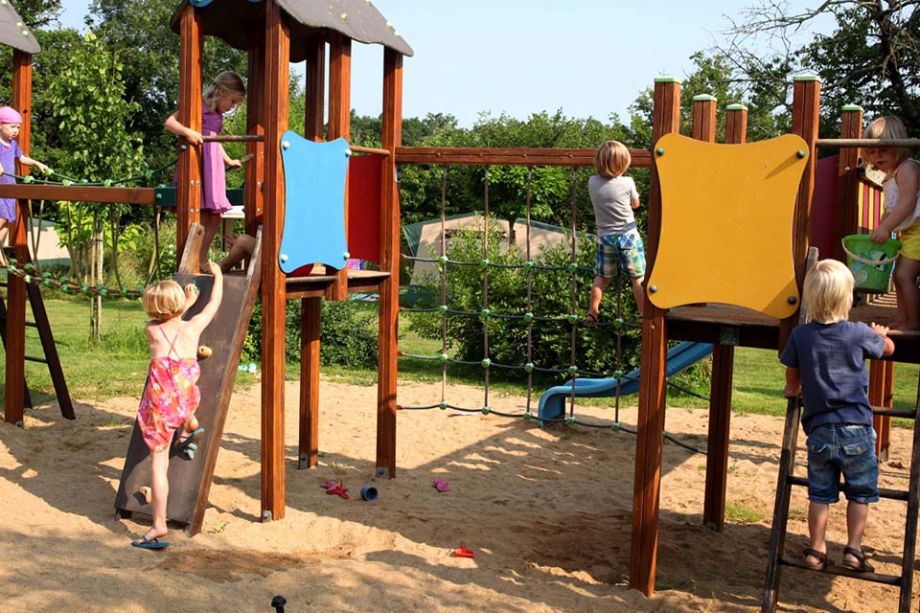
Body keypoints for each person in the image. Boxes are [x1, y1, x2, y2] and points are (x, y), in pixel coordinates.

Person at [780, 258, 894, 572]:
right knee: (860, 493)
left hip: (819, 432)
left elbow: (793, 375)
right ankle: (854, 550)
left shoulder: (801, 336)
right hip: (856, 428)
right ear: (848, 298)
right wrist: (881, 334)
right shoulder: (858, 333)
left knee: (820, 493)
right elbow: (887, 350)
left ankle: (817, 550)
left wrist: (793, 390)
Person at [131, 262, 223, 549]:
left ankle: (159, 525)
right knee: (185, 403)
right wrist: (217, 275)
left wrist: (181, 305)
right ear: (180, 304)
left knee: (159, 466)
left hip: (159, 408)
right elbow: (214, 304)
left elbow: (165, 318)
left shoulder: (151, 330)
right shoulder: (192, 328)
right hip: (186, 401)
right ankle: (188, 427)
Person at [165, 71, 246, 271]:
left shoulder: (218, 116)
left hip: (214, 169)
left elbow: (216, 143)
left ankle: (202, 258)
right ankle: (191, 258)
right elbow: (169, 123)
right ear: (222, 91)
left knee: (215, 215)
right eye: (232, 101)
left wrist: (230, 160)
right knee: (198, 213)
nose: (232, 107)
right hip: (199, 167)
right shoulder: (196, 106)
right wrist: (189, 132)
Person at [864, 115, 920, 331]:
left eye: (883, 149)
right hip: (909, 233)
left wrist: (886, 227)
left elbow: (906, 203)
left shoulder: (908, 168)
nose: (876, 154)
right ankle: (904, 318)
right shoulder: (890, 175)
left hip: (918, 231)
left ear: (899, 145)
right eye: (871, 150)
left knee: (904, 275)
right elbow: (891, 207)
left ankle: (914, 321)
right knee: (899, 277)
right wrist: (883, 225)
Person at [584, 140, 645, 324]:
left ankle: (592, 311)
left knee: (602, 278)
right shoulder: (628, 182)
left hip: (605, 237)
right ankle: (643, 314)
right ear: (623, 164)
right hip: (628, 236)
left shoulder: (592, 182)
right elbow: (636, 204)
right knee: (638, 277)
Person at [0, 106, 49, 252]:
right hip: (1, 189)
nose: (16, 130)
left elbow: (21, 158)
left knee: (8, 222)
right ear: (1, 125)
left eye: (18, 127)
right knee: (2, 218)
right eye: (12, 126)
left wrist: (37, 163)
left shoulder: (13, 144)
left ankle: (0, 253)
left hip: (11, 190)